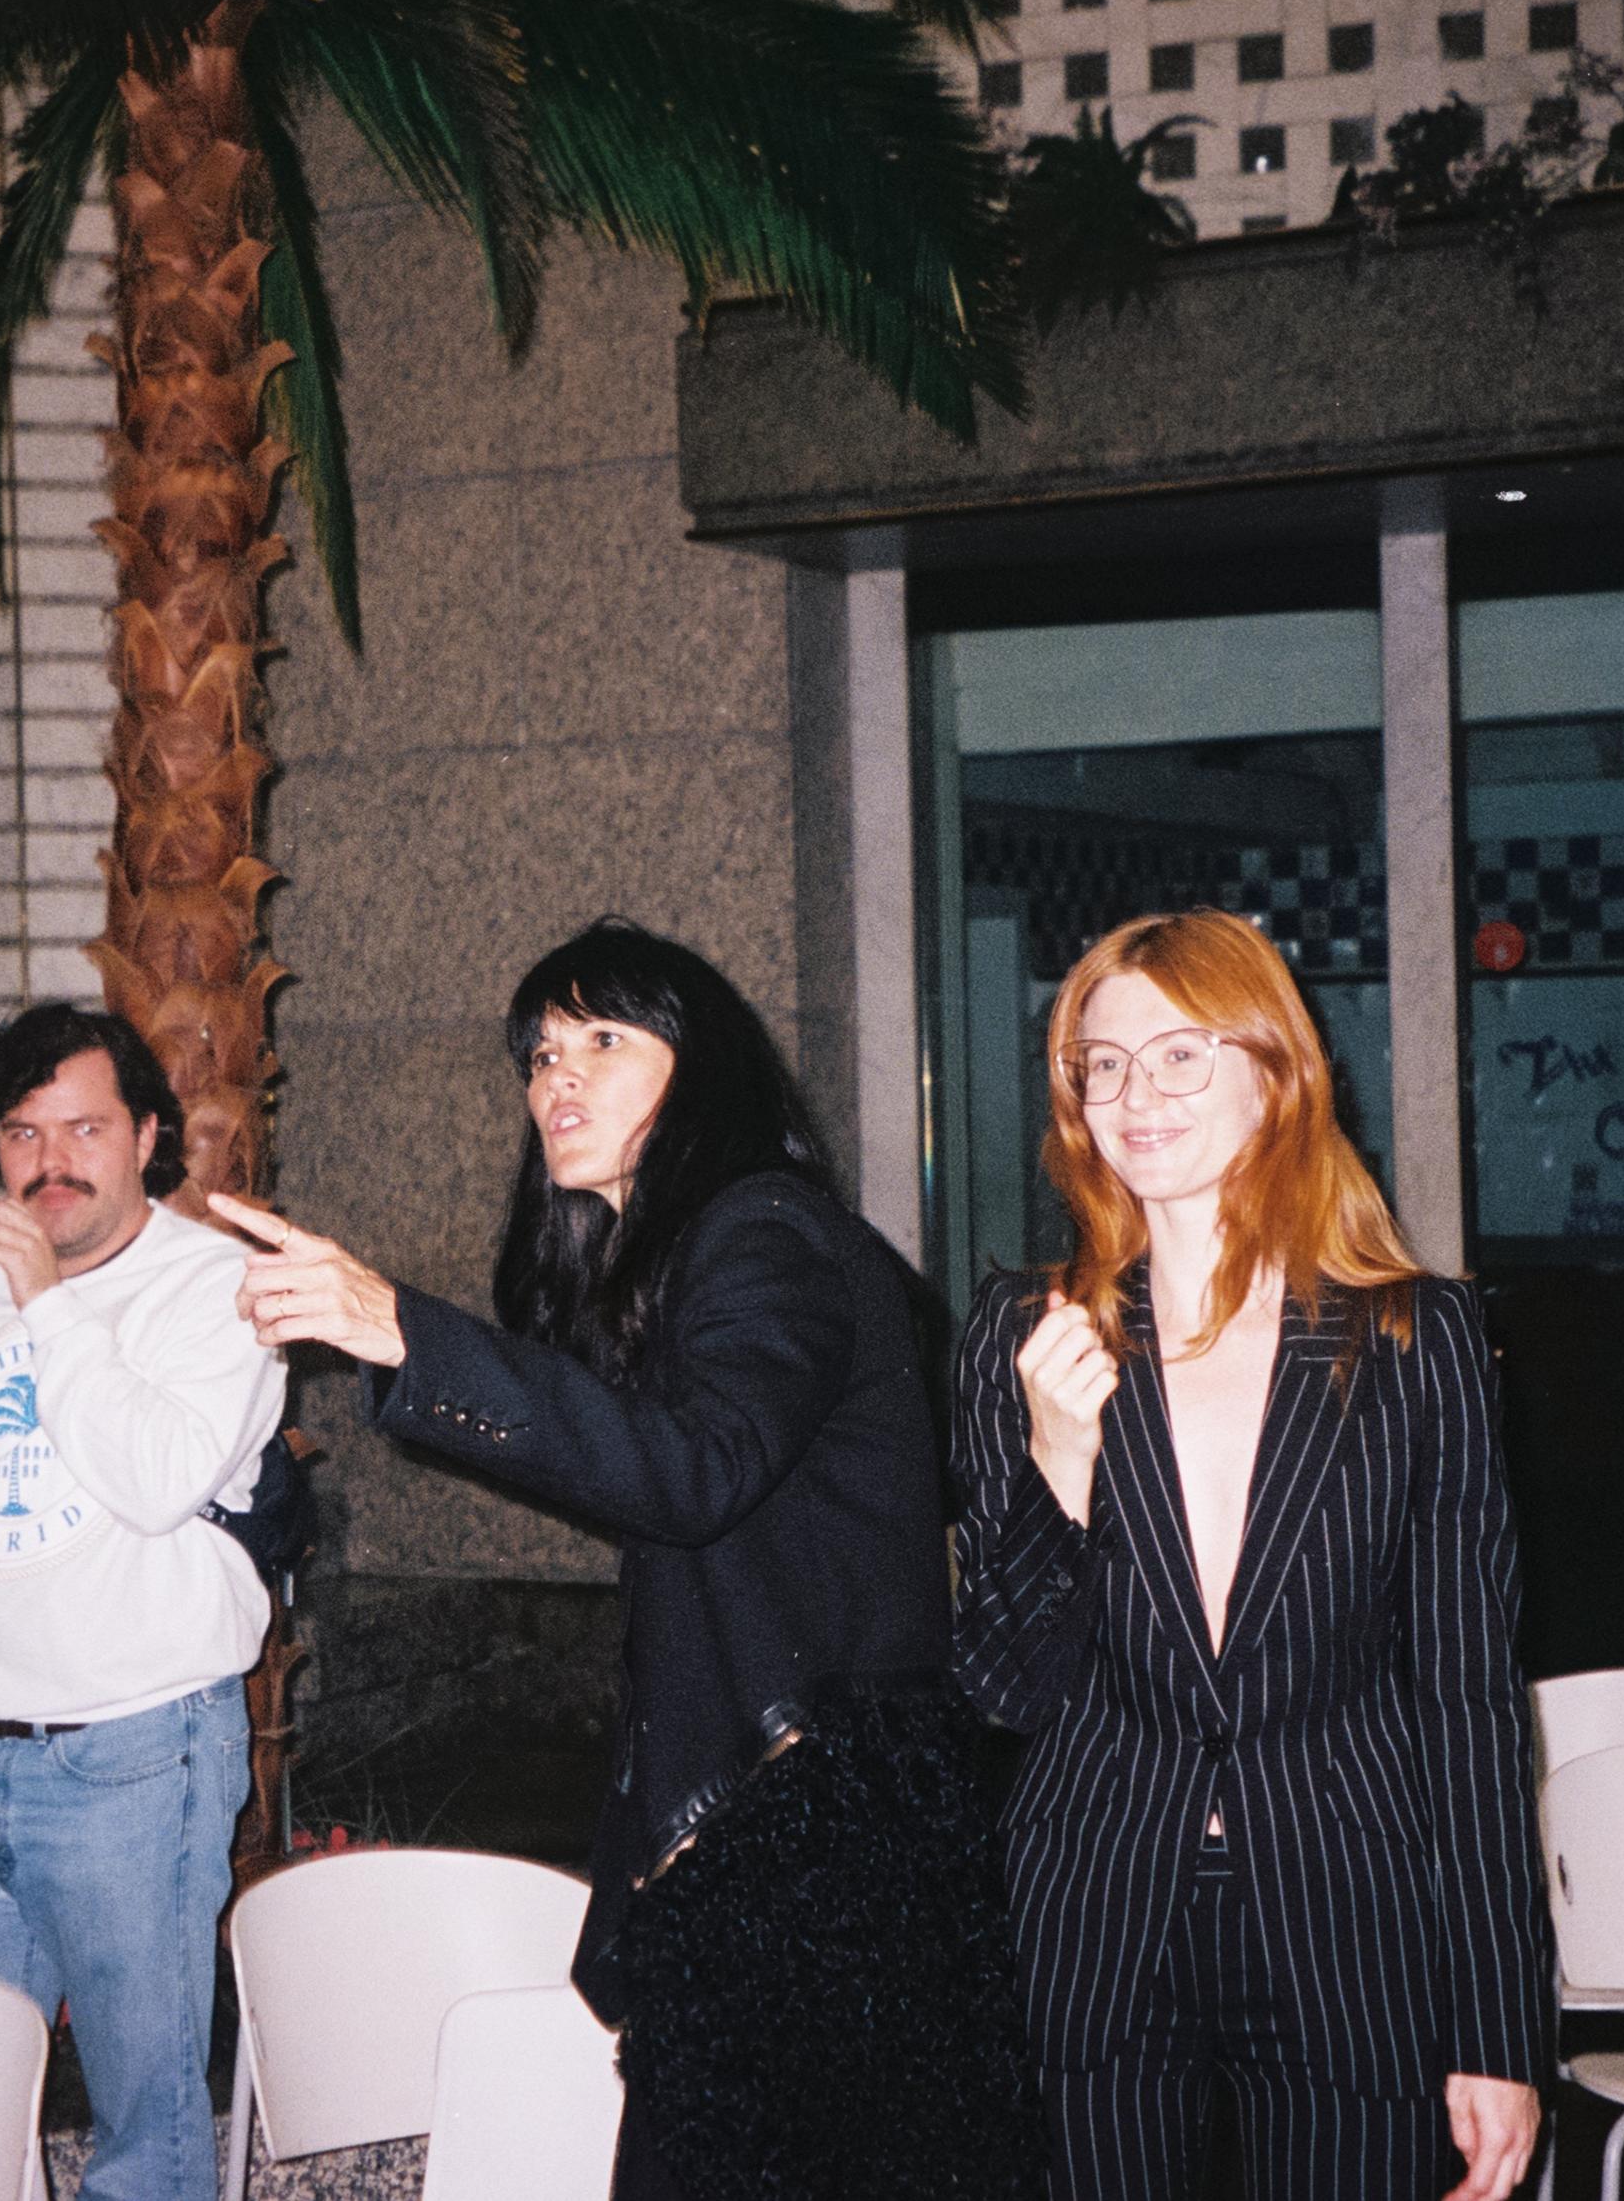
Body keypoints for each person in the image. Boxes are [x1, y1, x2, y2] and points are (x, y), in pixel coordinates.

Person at [222, 921, 1038, 2201]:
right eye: (542, 1049)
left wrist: (400, 1333)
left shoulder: (762, 1229)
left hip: (818, 1839)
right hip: (796, 1823)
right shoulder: (701, 1255)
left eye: (606, 1038)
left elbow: (689, 1469)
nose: (559, 1075)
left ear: (700, 1066)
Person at [953, 910, 1551, 2201]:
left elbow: (1468, 1702)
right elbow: (999, 1686)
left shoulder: (1414, 1339)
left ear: (1274, 1068)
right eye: (1101, 1064)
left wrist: (1500, 2026)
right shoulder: (1027, 1330)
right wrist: (1058, 1462)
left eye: (1179, 1055)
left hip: (1347, 1906)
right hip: (1094, 1909)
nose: (1134, 1095)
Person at [0, 1004, 280, 2201]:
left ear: (149, 1134)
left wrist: (47, 1306)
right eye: (23, 1132)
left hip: (136, 1754)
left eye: (85, 1127)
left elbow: (152, 1479)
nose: (52, 1160)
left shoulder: (219, 1289)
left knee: (146, 2134)